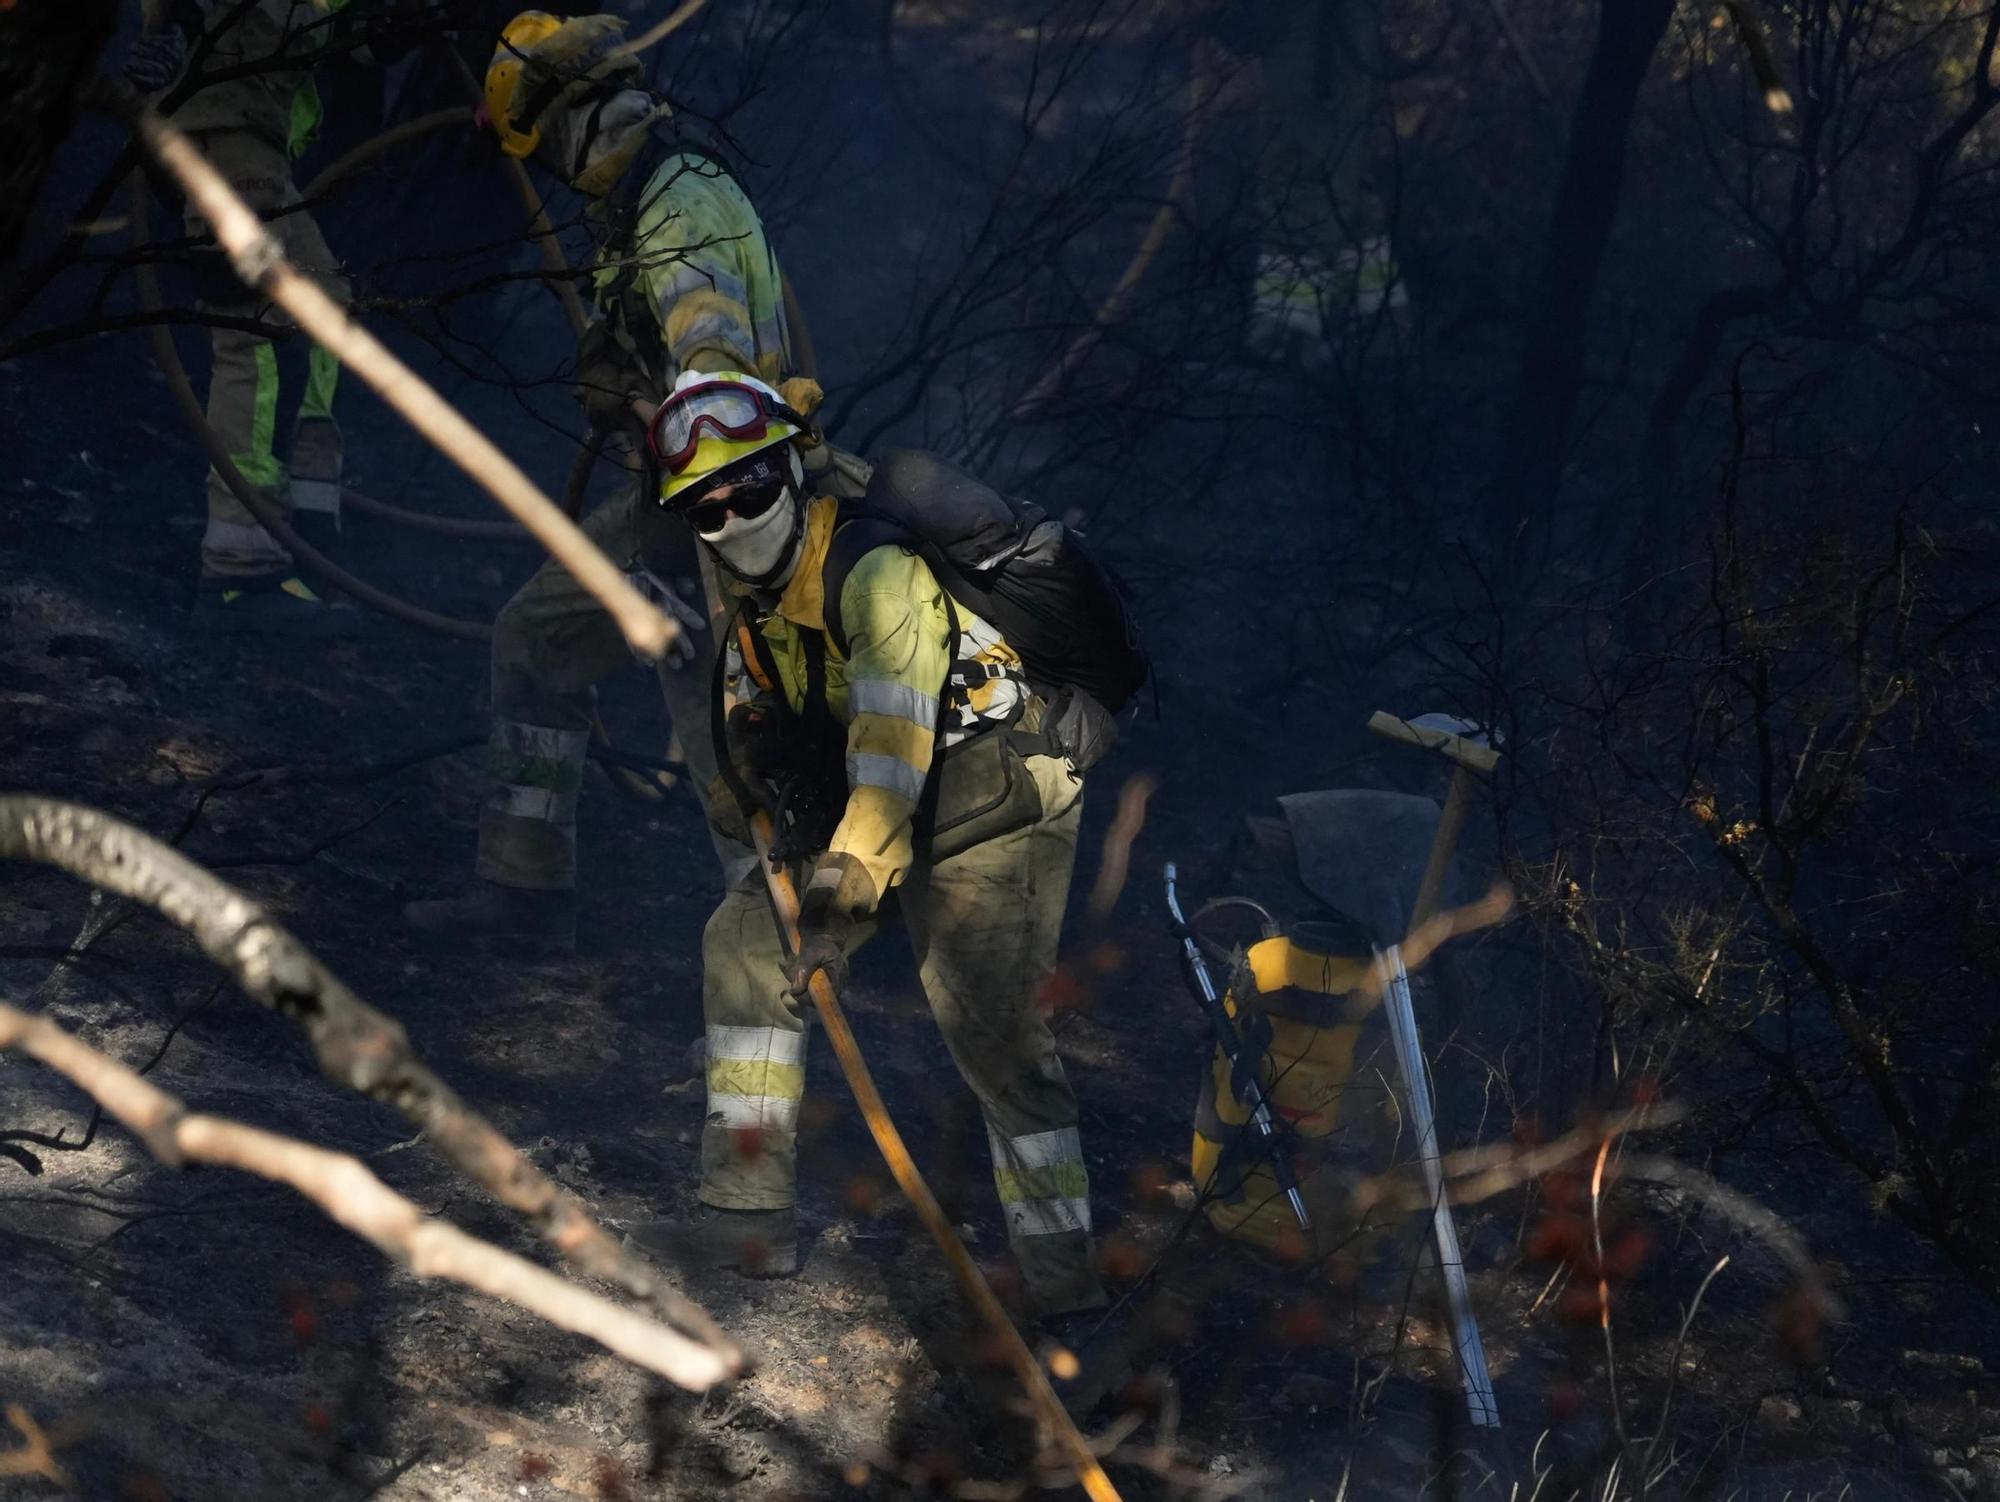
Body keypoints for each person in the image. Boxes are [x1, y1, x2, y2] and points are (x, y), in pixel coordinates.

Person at [622, 371, 1110, 1338]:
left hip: (995, 798)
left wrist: (839, 902)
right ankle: (744, 1217)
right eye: (706, 510)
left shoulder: (877, 573)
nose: (734, 517)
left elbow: (893, 762)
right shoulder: (756, 597)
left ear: (791, 472)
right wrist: (758, 771)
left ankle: (1066, 1291)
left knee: (996, 1033)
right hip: (881, 800)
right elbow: (771, 721)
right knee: (746, 945)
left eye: (752, 491)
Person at [404, 9, 822, 950]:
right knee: (538, 639)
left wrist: (651, 420)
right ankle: (524, 894)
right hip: (672, 508)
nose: (547, 162)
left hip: (727, 515)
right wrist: (623, 377)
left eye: (545, 139)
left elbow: (714, 383)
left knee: (731, 758)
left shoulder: (677, 209)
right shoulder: (644, 194)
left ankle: (788, 972)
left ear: (572, 116)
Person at [126, 0, 357, 634]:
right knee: (249, 333)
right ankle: (238, 572)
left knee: (328, 311)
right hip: (218, 136)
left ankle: (308, 526)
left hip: (252, 142)